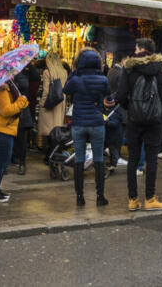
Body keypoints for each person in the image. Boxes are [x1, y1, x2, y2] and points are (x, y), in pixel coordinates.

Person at [117, 38, 162, 211]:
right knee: (151, 159)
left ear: (140, 49)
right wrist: (161, 111)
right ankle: (150, 198)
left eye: (136, 48)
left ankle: (133, 199)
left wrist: (132, 109)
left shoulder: (129, 70)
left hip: (134, 121)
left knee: (133, 160)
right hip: (155, 122)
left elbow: (120, 96)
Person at [63, 48, 113, 207]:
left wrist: (73, 72)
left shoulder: (76, 80)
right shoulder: (103, 79)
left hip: (79, 123)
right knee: (98, 159)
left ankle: (80, 197)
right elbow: (107, 96)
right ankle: (100, 196)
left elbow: (65, 90)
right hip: (97, 123)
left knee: (79, 159)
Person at [0, 80, 28, 203]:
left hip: (5, 130)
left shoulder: (8, 90)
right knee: (0, 164)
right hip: (0, 131)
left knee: (3, 164)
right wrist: (21, 101)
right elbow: (6, 111)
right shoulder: (2, 91)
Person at [38, 53, 68, 150]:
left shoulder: (47, 72)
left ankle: (48, 153)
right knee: (56, 129)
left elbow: (46, 91)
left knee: (48, 130)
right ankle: (54, 152)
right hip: (60, 102)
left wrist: (42, 103)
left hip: (50, 103)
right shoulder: (64, 72)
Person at [104, 56, 126, 173]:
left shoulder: (111, 71)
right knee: (117, 138)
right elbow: (122, 91)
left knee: (111, 137)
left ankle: (113, 159)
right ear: (123, 60)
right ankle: (115, 160)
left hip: (110, 106)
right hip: (117, 107)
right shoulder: (121, 73)